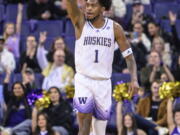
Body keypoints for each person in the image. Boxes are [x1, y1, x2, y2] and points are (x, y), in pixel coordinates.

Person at [66, 0, 139, 135]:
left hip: (103, 83)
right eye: (87, 5)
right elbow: (70, 3)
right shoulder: (80, 23)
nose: (88, 8)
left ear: (103, 8)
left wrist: (134, 79)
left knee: (99, 130)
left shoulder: (115, 28)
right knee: (84, 123)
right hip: (84, 80)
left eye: (93, 5)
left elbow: (129, 57)